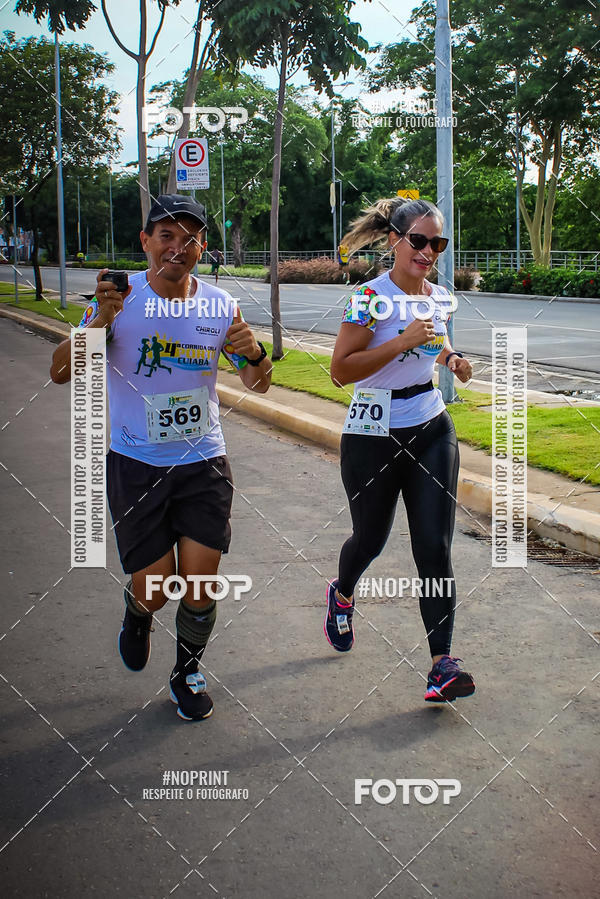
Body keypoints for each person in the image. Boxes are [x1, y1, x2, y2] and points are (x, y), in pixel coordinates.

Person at [50, 194, 271, 721]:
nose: (178, 246)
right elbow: (61, 372)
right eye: (166, 235)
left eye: (190, 237)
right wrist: (101, 319)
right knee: (156, 587)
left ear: (202, 247)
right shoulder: (118, 301)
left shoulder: (220, 305)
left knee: (199, 579)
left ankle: (187, 672)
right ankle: (137, 613)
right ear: (145, 242)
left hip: (204, 462)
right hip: (136, 462)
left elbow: (259, 385)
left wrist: (256, 352)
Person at [325, 196, 476, 703]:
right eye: (419, 241)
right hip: (372, 431)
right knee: (370, 538)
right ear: (394, 240)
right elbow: (341, 369)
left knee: (433, 544)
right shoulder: (368, 298)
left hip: (431, 425)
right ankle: (342, 594)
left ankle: (441, 664)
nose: (428, 251)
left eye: (438, 243)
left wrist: (451, 356)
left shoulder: (437, 296)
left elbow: (433, 341)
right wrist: (402, 341)